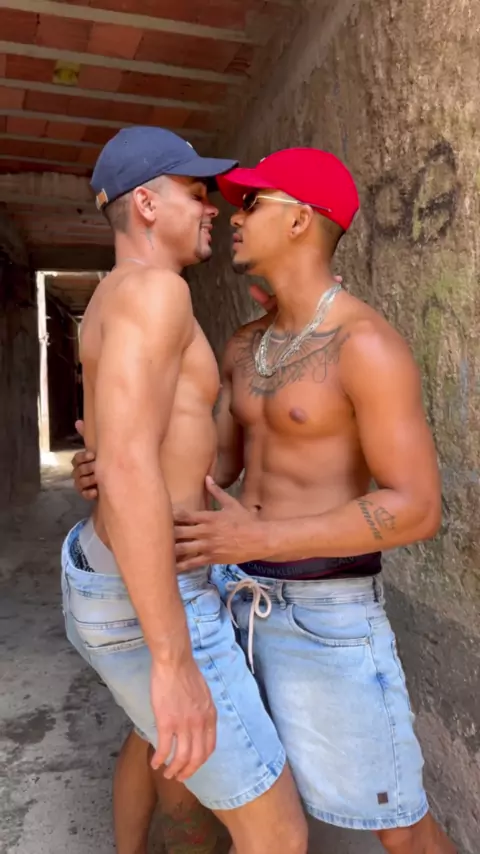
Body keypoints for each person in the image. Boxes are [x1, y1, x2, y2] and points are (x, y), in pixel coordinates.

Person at [72, 147, 456, 854]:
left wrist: (264, 539)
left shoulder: (366, 346)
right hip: (232, 592)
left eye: (252, 202)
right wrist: (119, 463)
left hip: (323, 613)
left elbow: (417, 508)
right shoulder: (245, 347)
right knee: (181, 761)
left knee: (399, 822)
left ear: (301, 220)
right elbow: (214, 466)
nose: (232, 215)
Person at [61, 127, 307, 854]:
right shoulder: (155, 292)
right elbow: (128, 464)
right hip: (153, 591)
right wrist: (173, 663)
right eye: (196, 193)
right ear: (145, 203)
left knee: (153, 745)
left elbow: (127, 447)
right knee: (278, 834)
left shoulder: (116, 296)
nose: (212, 208)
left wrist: (109, 468)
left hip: (115, 568)